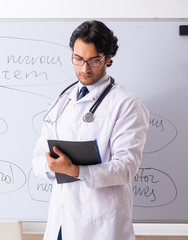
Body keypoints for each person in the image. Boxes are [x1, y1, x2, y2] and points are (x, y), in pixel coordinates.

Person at [32, 20, 149, 240]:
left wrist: (76, 171)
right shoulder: (62, 101)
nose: (84, 68)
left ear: (108, 58)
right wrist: (53, 166)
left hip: (100, 227)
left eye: (93, 60)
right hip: (60, 223)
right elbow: (38, 158)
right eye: (78, 59)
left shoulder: (126, 104)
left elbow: (126, 168)